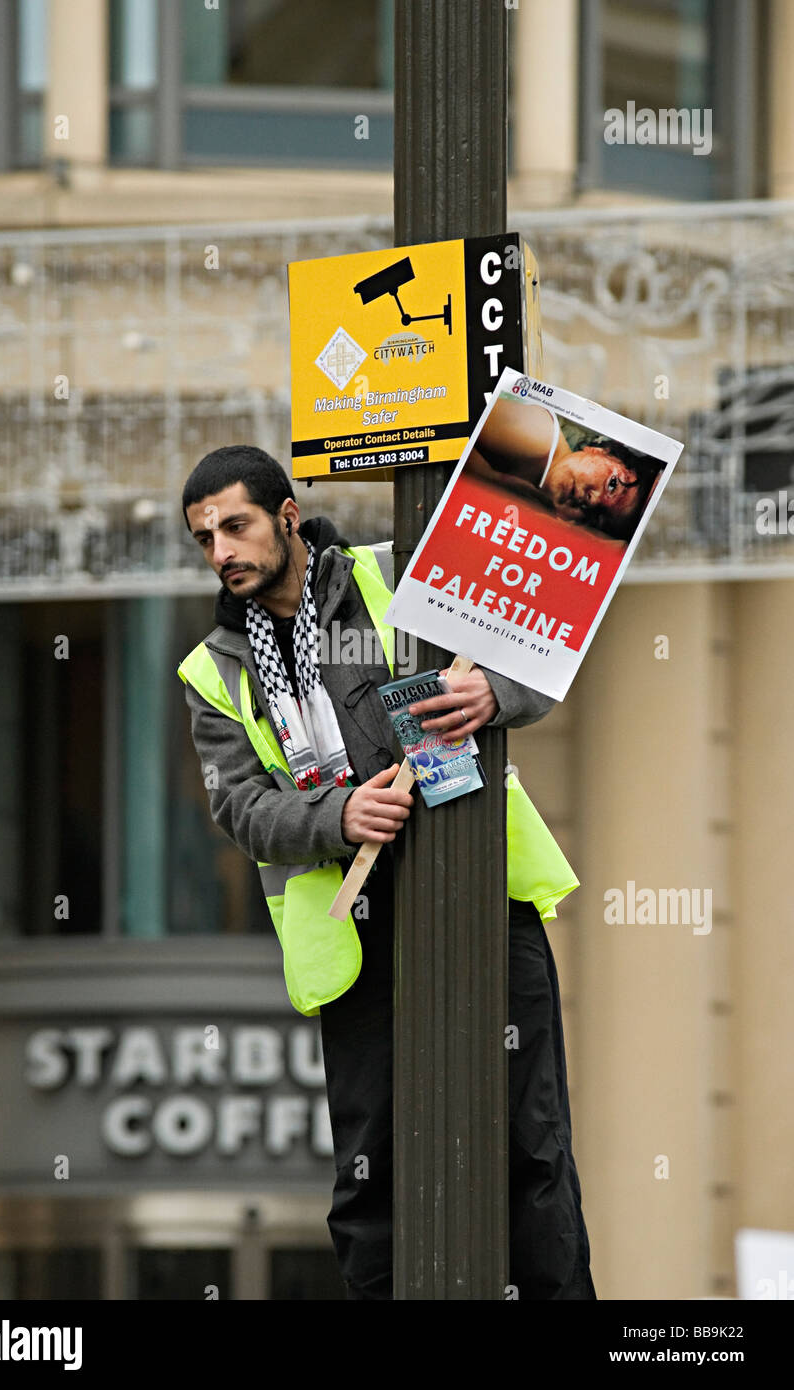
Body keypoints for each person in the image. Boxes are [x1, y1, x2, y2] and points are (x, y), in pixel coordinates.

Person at [177, 444, 596, 1301]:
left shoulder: (396, 574)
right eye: (204, 537)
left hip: (481, 893)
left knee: (531, 1145)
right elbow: (239, 807)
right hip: (351, 929)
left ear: (287, 517)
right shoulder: (211, 671)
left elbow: (534, 637)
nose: (221, 550)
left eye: (235, 525)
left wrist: (497, 695)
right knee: (370, 1178)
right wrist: (337, 818)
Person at [468, 393, 661, 540]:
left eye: (597, 519)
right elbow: (456, 423)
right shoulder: (538, 439)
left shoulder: (534, 490)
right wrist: (494, 479)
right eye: (612, 485)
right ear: (599, 450)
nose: (592, 501)